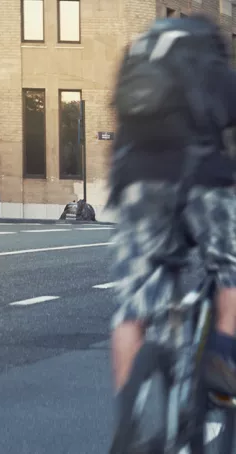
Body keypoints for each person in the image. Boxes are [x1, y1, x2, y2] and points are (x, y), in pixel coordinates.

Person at [107, 12, 236, 398]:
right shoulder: (212, 65)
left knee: (133, 308)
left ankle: (129, 422)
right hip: (201, 179)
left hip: (135, 182)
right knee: (232, 271)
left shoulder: (138, 60)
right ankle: (222, 363)